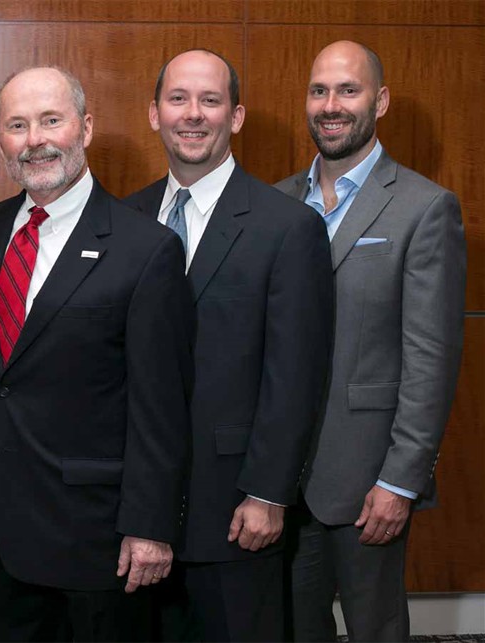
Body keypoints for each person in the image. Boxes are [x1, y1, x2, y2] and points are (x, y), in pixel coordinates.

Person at [0, 66, 194, 641]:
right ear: (0, 141)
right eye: (17, 125)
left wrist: (151, 526)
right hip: (0, 537)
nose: (34, 139)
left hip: (97, 541)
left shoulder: (146, 249)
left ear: (85, 128)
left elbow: (160, 405)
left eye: (50, 120)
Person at [124, 49, 334, 641]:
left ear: (236, 117)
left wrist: (269, 492)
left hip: (237, 511)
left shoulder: (288, 227)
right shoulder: (124, 219)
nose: (194, 115)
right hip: (138, 517)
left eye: (210, 101)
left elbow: (295, 374)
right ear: (153, 113)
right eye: (178, 99)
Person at [276, 40, 466, 642]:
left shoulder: (424, 208)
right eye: (319, 90)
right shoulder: (275, 204)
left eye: (348, 90)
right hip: (280, 482)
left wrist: (400, 481)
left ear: (379, 101)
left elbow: (430, 359)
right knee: (289, 628)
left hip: (367, 479)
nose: (331, 105)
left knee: (375, 630)